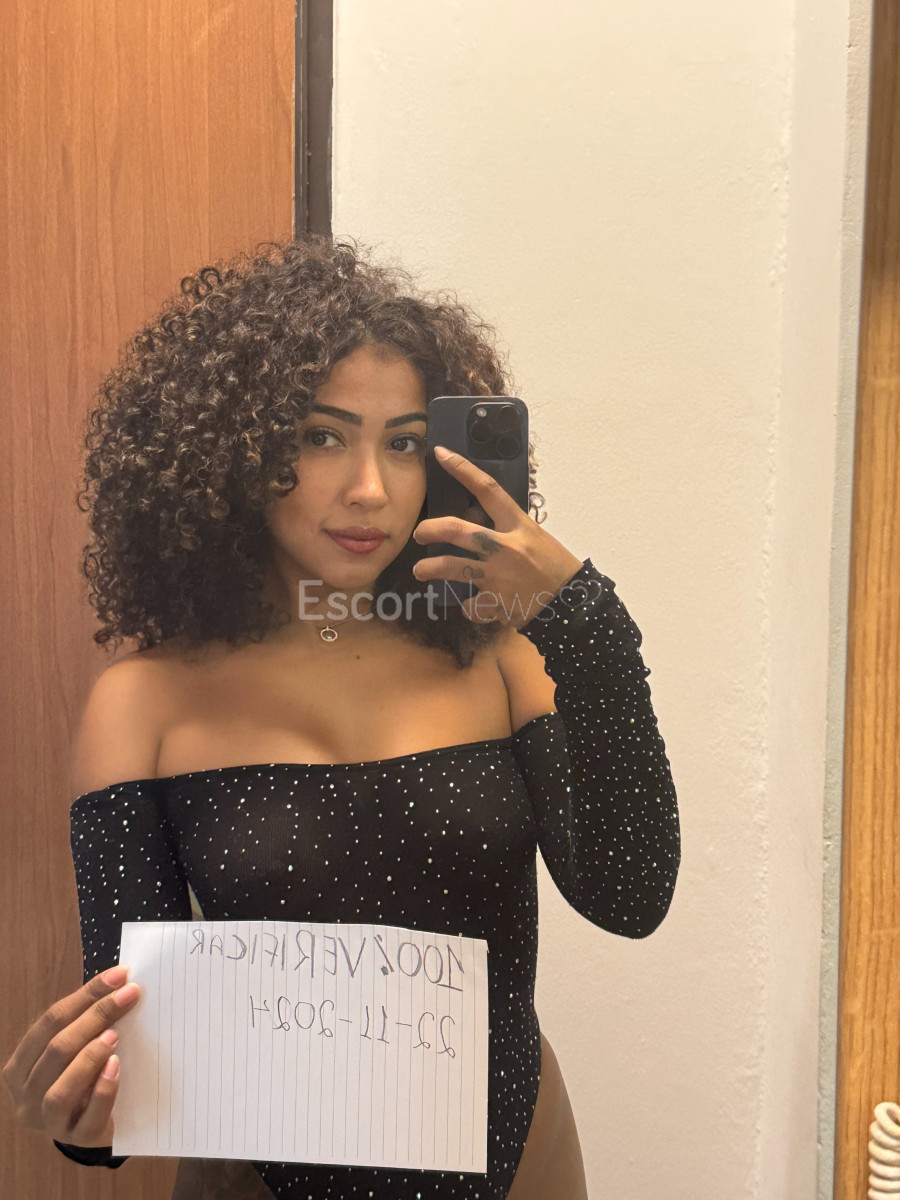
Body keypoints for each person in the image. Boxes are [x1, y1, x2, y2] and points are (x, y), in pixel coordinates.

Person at [2, 236, 680, 1199]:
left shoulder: (500, 654)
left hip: (515, 1162)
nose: (370, 488)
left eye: (403, 443)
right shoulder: (147, 701)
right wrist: (82, 1115)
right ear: (234, 452)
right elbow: (130, 1042)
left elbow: (631, 896)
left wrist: (584, 622)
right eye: (321, 437)